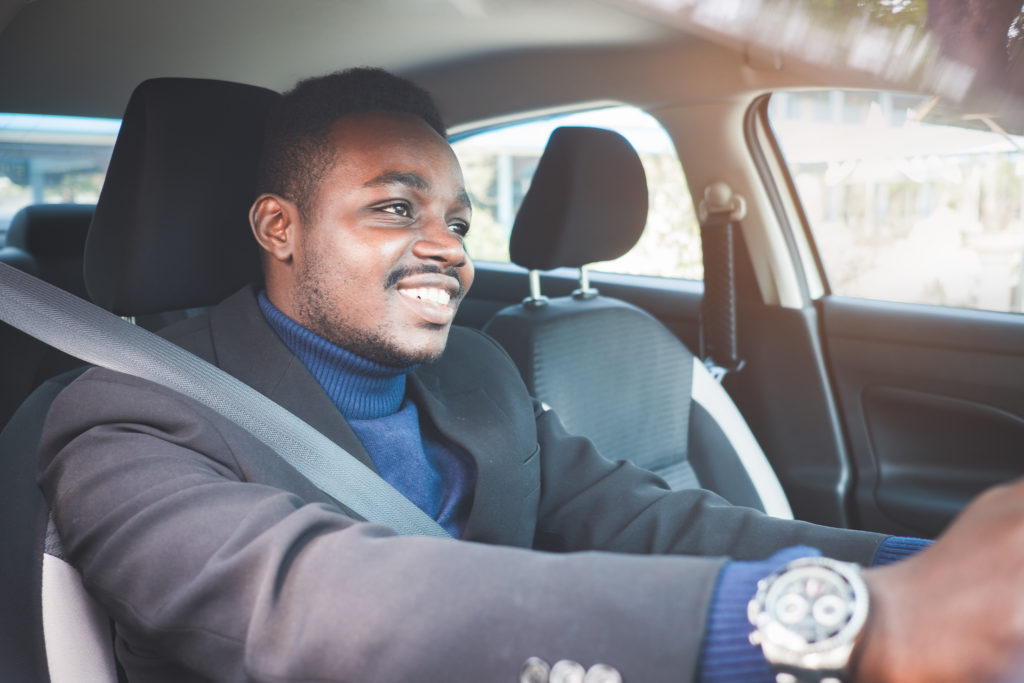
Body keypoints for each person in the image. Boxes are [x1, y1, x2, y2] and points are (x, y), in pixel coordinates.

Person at [36, 68, 1024, 683]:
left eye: (458, 221)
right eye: (393, 208)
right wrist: (835, 621)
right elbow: (313, 604)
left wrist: (925, 567)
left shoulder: (479, 374)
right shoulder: (126, 418)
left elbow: (663, 523)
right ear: (278, 229)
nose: (446, 249)